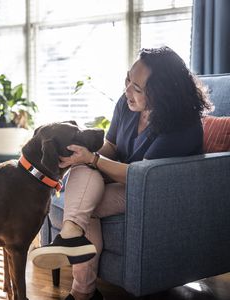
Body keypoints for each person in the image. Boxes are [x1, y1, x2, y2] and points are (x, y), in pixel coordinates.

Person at [29, 46, 212, 300]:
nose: (127, 90)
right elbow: (113, 147)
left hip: (154, 192)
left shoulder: (181, 124)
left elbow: (143, 176)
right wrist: (84, 149)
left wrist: (93, 158)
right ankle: (72, 235)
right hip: (123, 181)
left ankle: (82, 288)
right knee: (83, 172)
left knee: (86, 201)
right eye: (128, 79)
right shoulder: (127, 105)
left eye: (137, 88)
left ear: (162, 94)